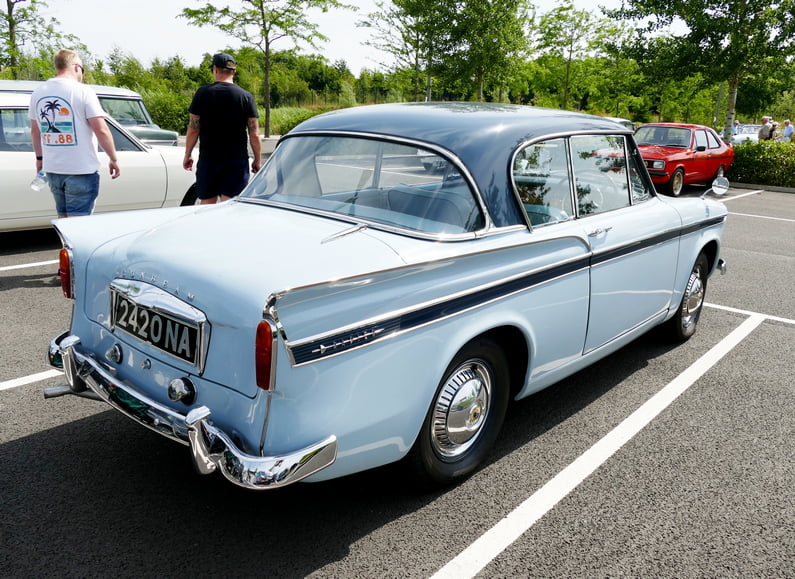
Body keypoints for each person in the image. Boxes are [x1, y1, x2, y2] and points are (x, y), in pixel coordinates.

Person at [30, 49, 120, 218]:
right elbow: (101, 129)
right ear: (77, 67)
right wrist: (113, 158)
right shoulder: (83, 91)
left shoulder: (38, 92)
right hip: (81, 170)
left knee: (63, 220)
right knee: (78, 224)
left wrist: (40, 159)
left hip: (53, 169)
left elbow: (35, 131)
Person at [183, 52, 261, 204]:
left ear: (215, 69)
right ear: (234, 71)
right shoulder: (246, 97)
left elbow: (193, 129)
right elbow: (254, 133)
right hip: (236, 162)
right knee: (230, 206)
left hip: (209, 160)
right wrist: (257, 160)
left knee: (206, 206)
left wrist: (188, 154)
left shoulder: (202, 93)